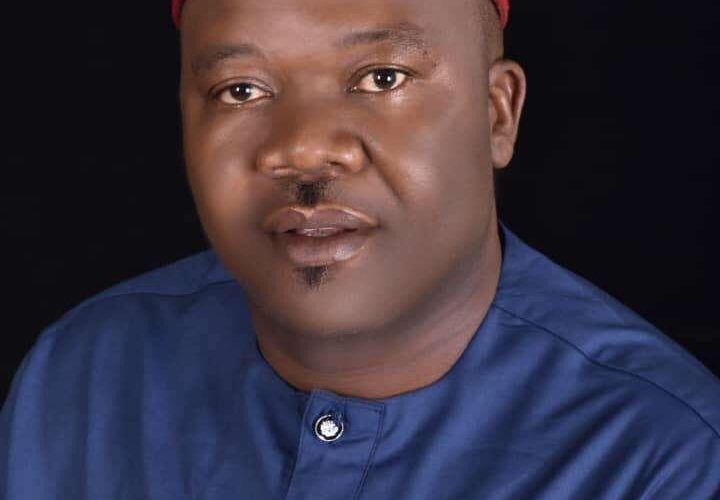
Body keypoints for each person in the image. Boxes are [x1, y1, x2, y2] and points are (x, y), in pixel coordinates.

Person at [2, 0, 719, 497]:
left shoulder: (670, 460)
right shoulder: (82, 378)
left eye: (382, 78)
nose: (303, 149)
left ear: (497, 114)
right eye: (240, 90)